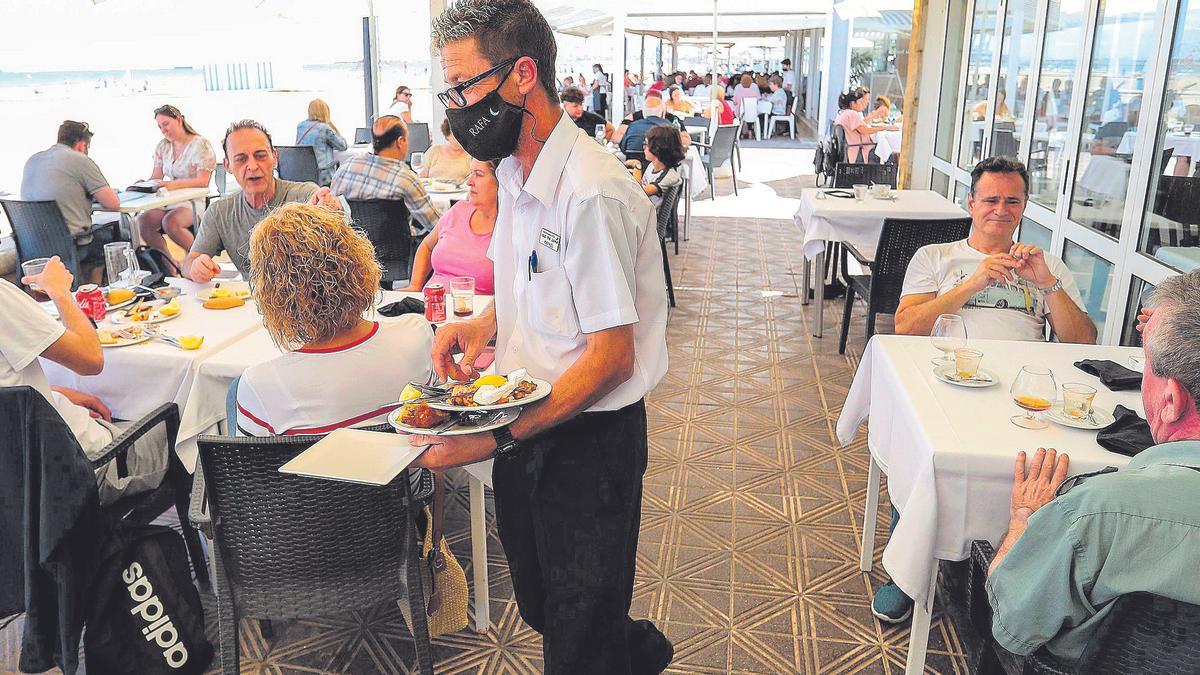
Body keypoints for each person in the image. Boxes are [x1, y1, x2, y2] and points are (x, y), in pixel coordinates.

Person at [418, 1, 673, 672]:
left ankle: (622, 650)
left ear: (522, 73)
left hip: (590, 444)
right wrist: (484, 320)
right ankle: (635, 651)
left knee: (576, 634)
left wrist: (496, 435)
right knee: (541, 602)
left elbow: (613, 359)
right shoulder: (510, 170)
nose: (455, 108)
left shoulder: (590, 192)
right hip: (528, 420)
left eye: (463, 87)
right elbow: (530, 277)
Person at [868, 157, 1096, 624]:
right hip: (943, 383)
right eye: (990, 199)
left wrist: (1047, 286)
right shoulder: (935, 257)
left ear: (1025, 206)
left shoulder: (1045, 266)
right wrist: (974, 281)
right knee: (922, 456)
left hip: (1022, 389)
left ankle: (1015, 572)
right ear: (971, 202)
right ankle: (905, 573)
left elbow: (1083, 341)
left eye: (1012, 200)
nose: (1000, 209)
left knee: (1058, 466)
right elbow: (906, 328)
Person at [985, 269, 1200, 663]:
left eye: (1145, 363)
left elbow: (1012, 623)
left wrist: (1023, 520)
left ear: (1171, 399)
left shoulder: (1093, 512)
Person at [233, 203, 434, 436]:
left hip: (310, 473)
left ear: (273, 294)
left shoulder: (261, 384)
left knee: (233, 393)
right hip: (407, 471)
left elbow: (255, 469)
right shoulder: (417, 334)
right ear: (359, 262)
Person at [2, 257, 167, 505]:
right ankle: (226, 533)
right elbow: (90, 360)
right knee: (191, 423)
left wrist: (53, 392)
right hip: (80, 471)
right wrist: (59, 291)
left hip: (16, 492)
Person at [182, 119, 342, 282]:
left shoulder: (303, 196)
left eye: (260, 156)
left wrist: (329, 207)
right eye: (241, 159)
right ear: (228, 165)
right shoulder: (220, 212)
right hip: (249, 303)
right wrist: (195, 268)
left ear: (274, 157)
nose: (252, 166)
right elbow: (190, 260)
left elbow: (329, 213)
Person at [19, 121, 122, 271]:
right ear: (82, 145)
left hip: (32, 244)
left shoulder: (32, 160)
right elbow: (113, 204)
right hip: (70, 245)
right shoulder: (80, 159)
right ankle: (95, 291)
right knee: (118, 236)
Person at [329, 115, 442, 235]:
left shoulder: (346, 167)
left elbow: (333, 211)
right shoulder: (405, 179)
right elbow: (435, 225)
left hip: (354, 248)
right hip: (396, 250)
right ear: (400, 142)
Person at [135, 105, 216, 262]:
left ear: (179, 120)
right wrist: (144, 184)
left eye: (166, 124)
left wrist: (173, 185)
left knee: (170, 222)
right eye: (159, 127)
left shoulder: (200, 145)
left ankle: (200, 260)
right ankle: (170, 265)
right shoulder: (163, 146)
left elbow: (203, 181)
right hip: (168, 199)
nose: (163, 130)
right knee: (143, 221)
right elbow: (156, 176)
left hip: (192, 200)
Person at [404, 159, 498, 294]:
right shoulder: (459, 211)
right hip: (430, 307)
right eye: (470, 173)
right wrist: (414, 286)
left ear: (501, 181)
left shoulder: (509, 228)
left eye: (478, 174)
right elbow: (427, 247)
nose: (469, 182)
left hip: (473, 311)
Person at [626, 125, 684, 209]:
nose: (643, 147)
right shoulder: (651, 166)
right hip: (641, 213)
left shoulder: (670, 176)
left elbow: (638, 194)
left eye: (646, 144)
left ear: (657, 147)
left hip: (650, 219)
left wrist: (637, 167)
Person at [834, 88, 898, 162]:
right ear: (852, 103)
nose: (862, 104)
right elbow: (866, 131)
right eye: (860, 102)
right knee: (889, 152)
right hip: (857, 150)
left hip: (849, 149)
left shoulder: (842, 113)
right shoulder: (852, 114)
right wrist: (886, 128)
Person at [295, 98, 348, 186]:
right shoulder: (324, 128)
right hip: (322, 176)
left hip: (304, 174)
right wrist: (333, 127)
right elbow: (342, 146)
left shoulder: (300, 126)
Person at [615, 94, 690, 154]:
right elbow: (679, 149)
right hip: (662, 170)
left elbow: (623, 148)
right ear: (662, 112)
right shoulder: (670, 128)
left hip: (635, 169)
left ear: (643, 112)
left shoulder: (632, 127)